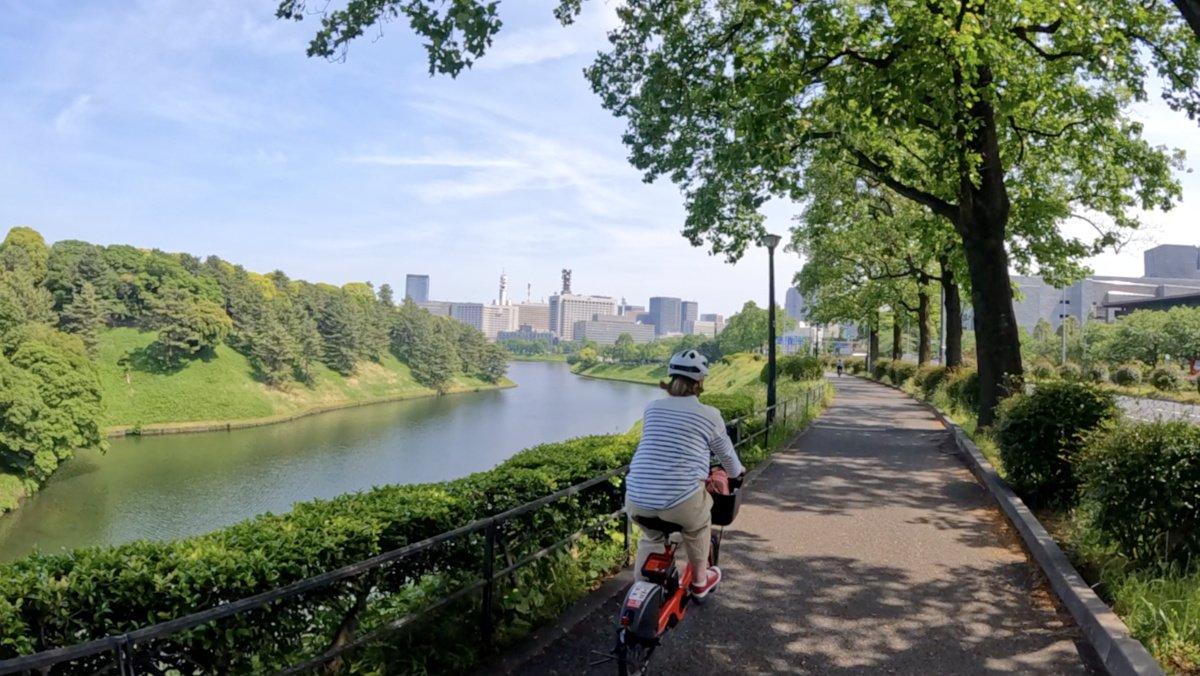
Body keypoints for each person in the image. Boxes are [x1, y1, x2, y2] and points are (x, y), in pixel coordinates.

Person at [625, 350, 744, 599]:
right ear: (700, 382)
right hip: (680, 501)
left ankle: (640, 588)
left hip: (636, 499)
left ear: (669, 378)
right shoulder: (709, 415)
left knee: (651, 536)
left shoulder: (652, 409)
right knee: (698, 525)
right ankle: (700, 582)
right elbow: (729, 462)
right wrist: (737, 473)